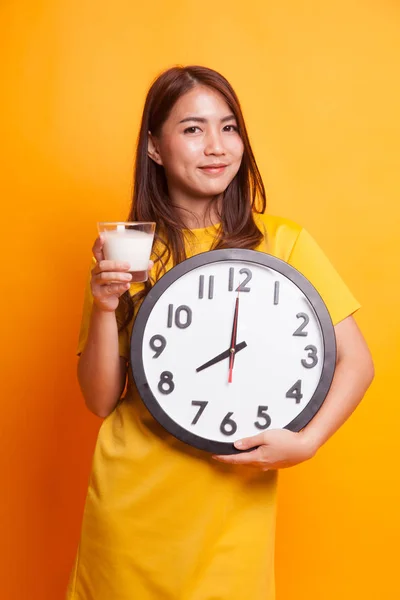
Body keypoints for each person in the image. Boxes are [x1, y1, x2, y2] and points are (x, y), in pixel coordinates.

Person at [66, 65, 374, 600]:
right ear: (155, 148)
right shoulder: (129, 249)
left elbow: (357, 361)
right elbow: (98, 401)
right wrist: (102, 305)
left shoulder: (283, 243)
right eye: (192, 128)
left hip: (234, 508)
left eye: (228, 127)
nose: (216, 146)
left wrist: (306, 443)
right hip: (130, 510)